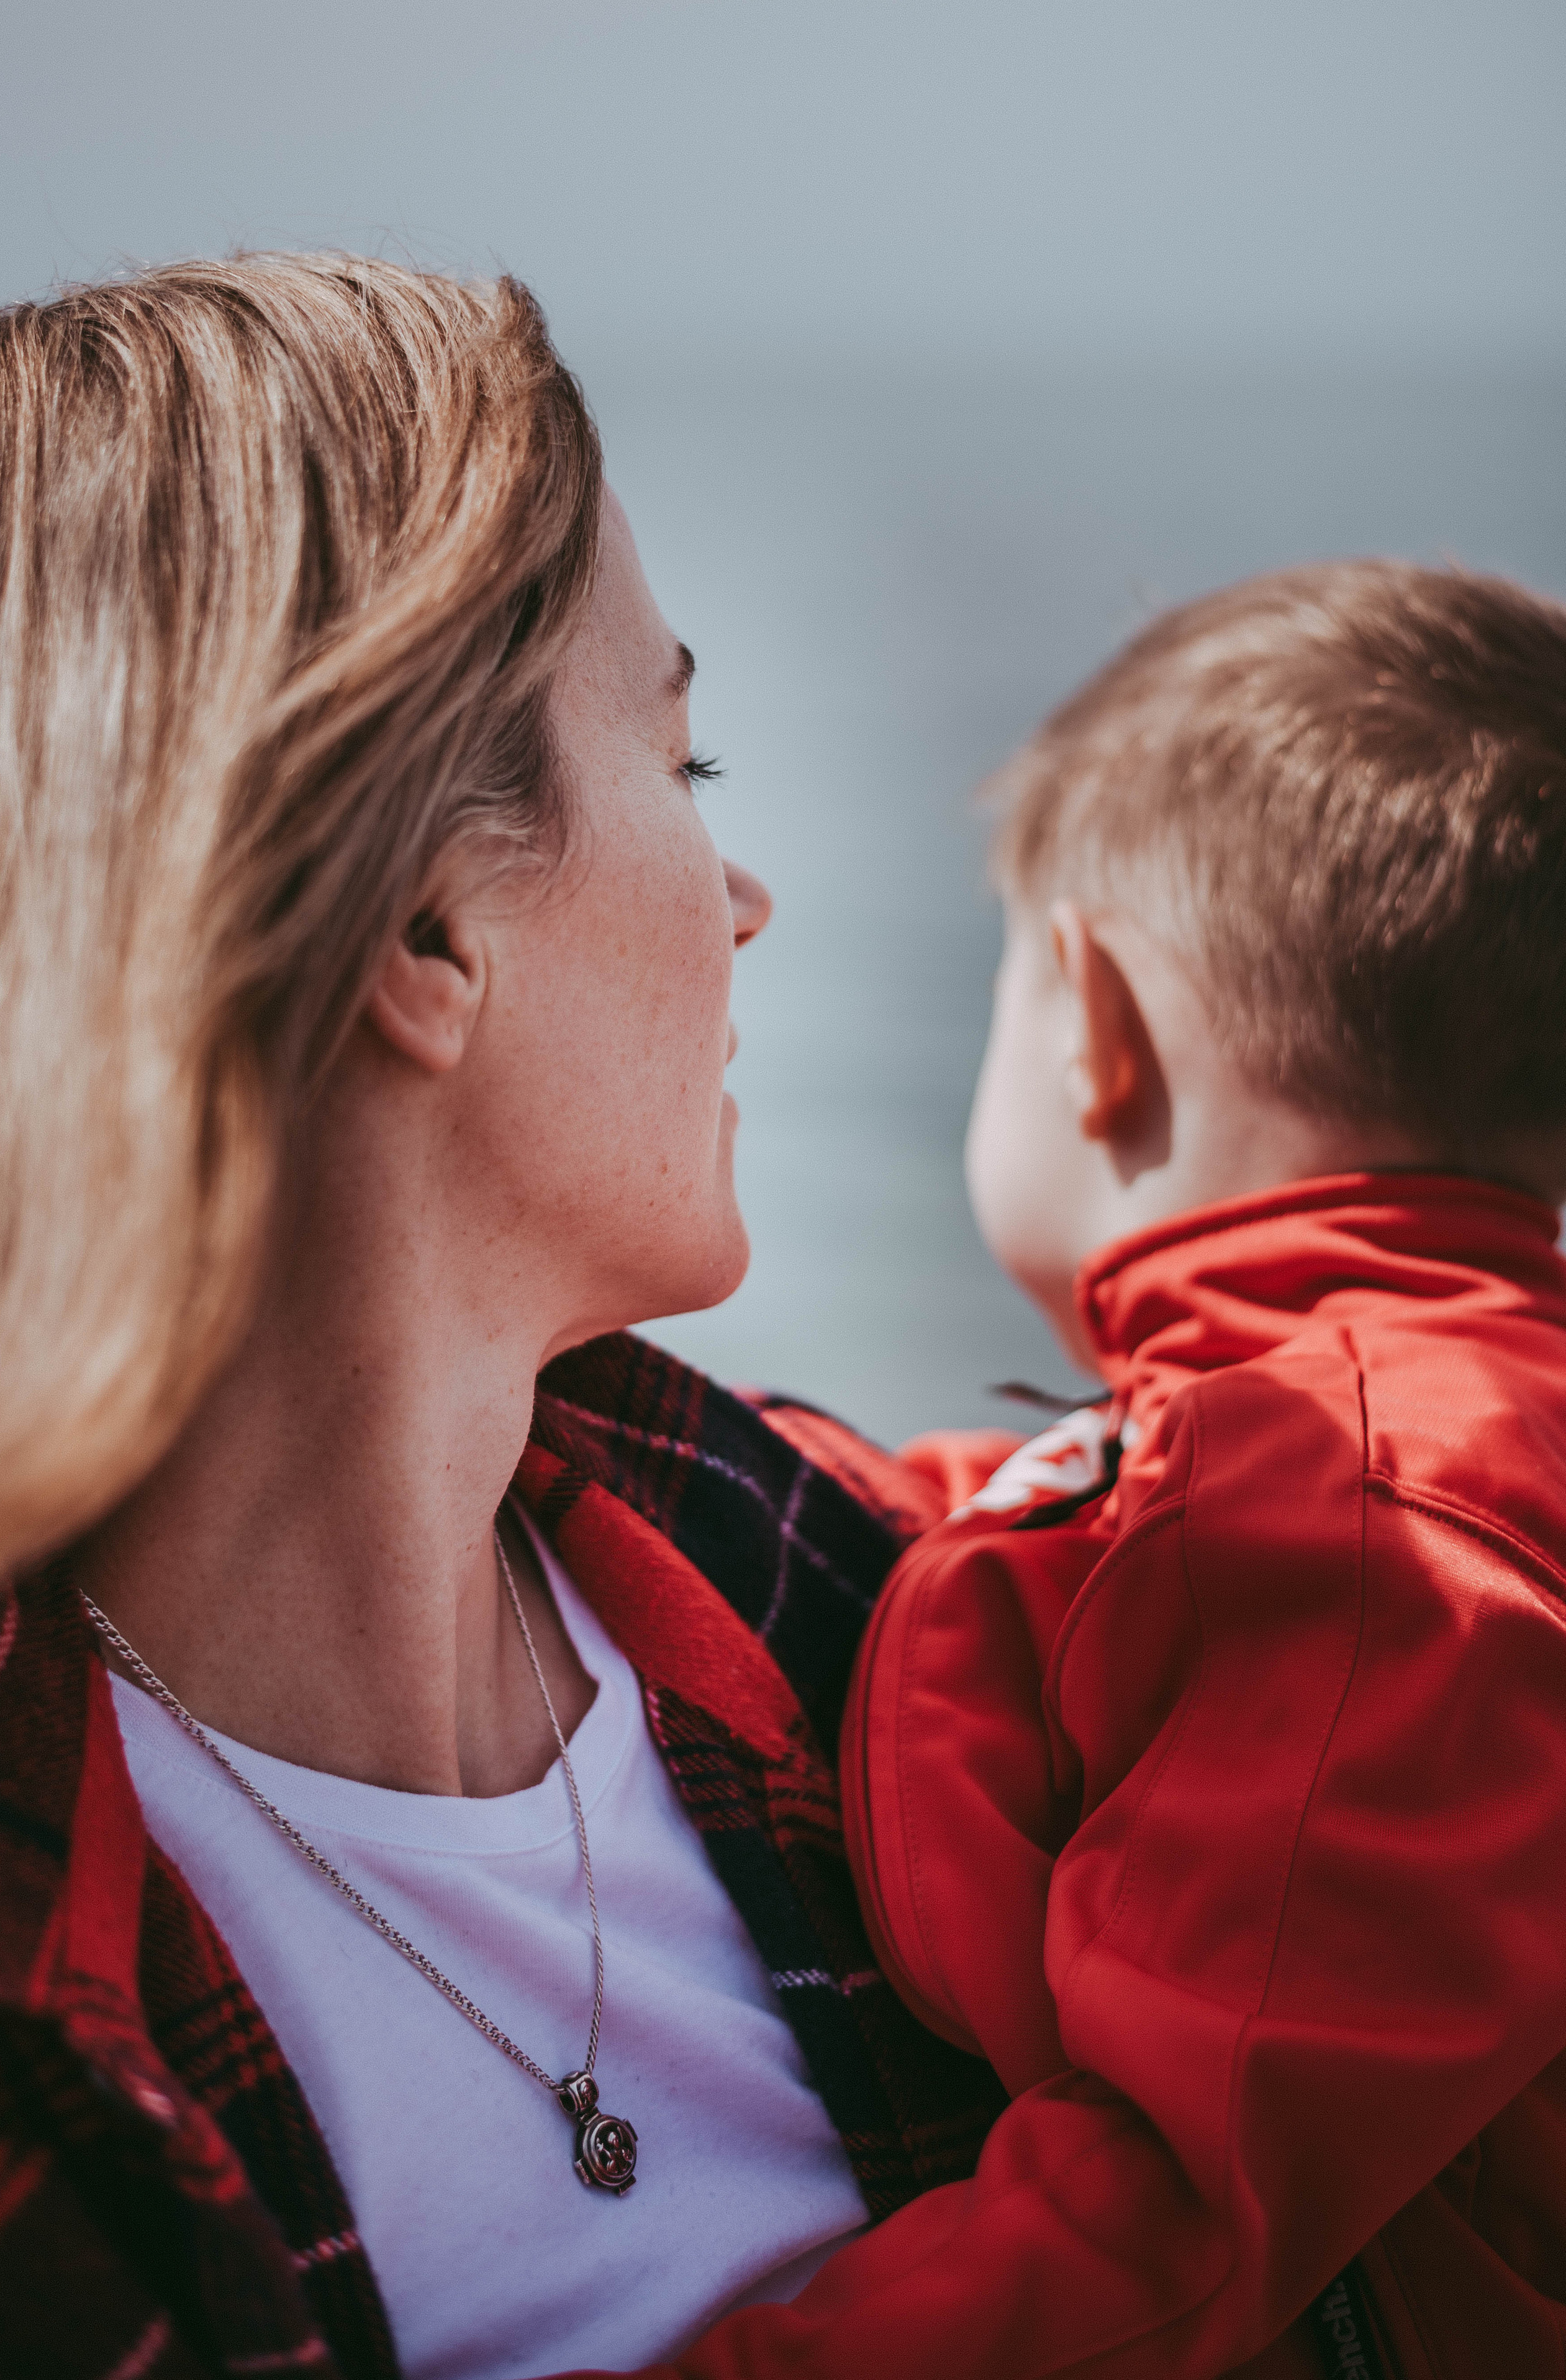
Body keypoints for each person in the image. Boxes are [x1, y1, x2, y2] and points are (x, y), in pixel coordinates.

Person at [0, 255, 1005, 2380]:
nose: (747, 898)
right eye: (686, 762)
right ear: (429, 925)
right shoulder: (22, 2002)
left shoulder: (850, 1596)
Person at [637, 562, 1566, 2378]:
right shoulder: (1399, 1437)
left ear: (1095, 1027)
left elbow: (1177, 2201)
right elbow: (1060, 1524)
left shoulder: (1381, 1530)